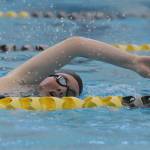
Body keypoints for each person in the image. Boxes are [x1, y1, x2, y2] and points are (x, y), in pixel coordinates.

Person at [0, 36, 150, 98]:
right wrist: (134, 62)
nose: (62, 89)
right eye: (63, 81)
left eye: (70, 93)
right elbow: (76, 45)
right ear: (46, 75)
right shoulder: (19, 81)